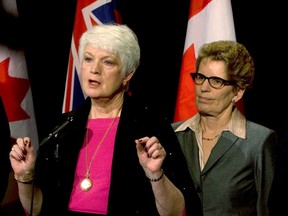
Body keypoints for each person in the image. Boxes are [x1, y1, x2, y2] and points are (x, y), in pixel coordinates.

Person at [9, 23, 202, 216]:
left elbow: (177, 212)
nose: (94, 69)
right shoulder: (63, 127)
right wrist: (24, 177)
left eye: (107, 62)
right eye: (88, 59)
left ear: (128, 74)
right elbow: (37, 210)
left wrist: (155, 175)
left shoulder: (149, 127)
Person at [172, 40, 277, 216]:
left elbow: (266, 209)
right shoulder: (173, 135)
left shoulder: (259, 141)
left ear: (237, 92)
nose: (203, 88)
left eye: (216, 81)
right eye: (200, 77)